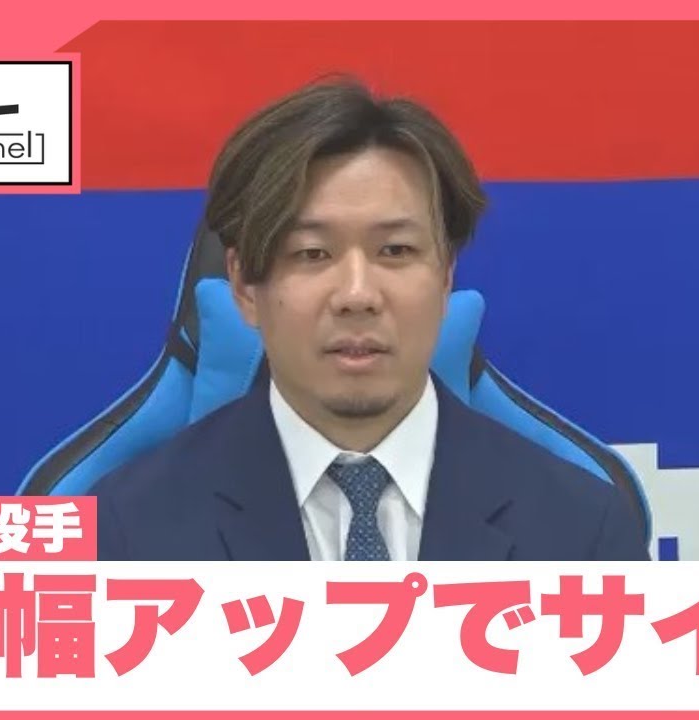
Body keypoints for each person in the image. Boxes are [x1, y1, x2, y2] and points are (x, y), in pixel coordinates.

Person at [91, 79, 649, 561]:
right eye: (313, 253)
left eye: (395, 251)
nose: (357, 295)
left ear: (446, 274)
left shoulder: (583, 530)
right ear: (244, 286)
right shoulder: (125, 535)